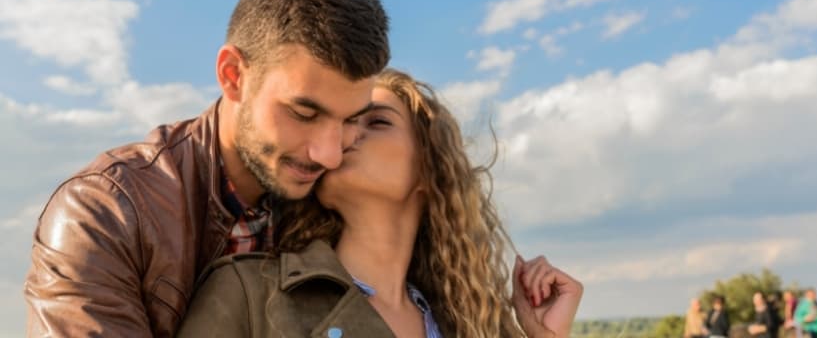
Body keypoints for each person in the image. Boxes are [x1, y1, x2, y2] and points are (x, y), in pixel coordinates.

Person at [24, 0, 391, 336]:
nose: (330, 154)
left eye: (352, 119)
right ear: (233, 75)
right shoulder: (103, 216)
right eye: (304, 114)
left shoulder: (335, 206)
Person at [176, 70, 584, 337]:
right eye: (340, 124)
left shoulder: (466, 325)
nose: (345, 136)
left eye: (376, 122)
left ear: (430, 170)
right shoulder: (249, 293)